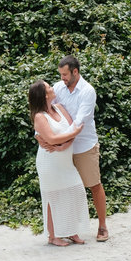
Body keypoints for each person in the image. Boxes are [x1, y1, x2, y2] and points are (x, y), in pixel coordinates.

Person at [51, 55, 110, 242]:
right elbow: (46, 111)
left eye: (65, 74)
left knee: (94, 185)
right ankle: (69, 229)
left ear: (75, 72)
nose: (62, 78)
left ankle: (102, 227)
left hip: (84, 146)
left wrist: (60, 141)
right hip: (63, 147)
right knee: (66, 189)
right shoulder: (58, 88)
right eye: (60, 74)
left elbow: (79, 123)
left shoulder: (88, 91)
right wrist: (43, 136)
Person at [28, 79, 92, 246]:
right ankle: (52, 236)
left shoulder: (60, 108)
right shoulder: (39, 117)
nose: (52, 87)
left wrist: (65, 143)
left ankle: (71, 232)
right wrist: (67, 137)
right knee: (52, 197)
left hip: (65, 162)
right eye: (49, 87)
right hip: (49, 163)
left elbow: (72, 129)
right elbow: (51, 138)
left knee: (75, 191)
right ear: (44, 95)